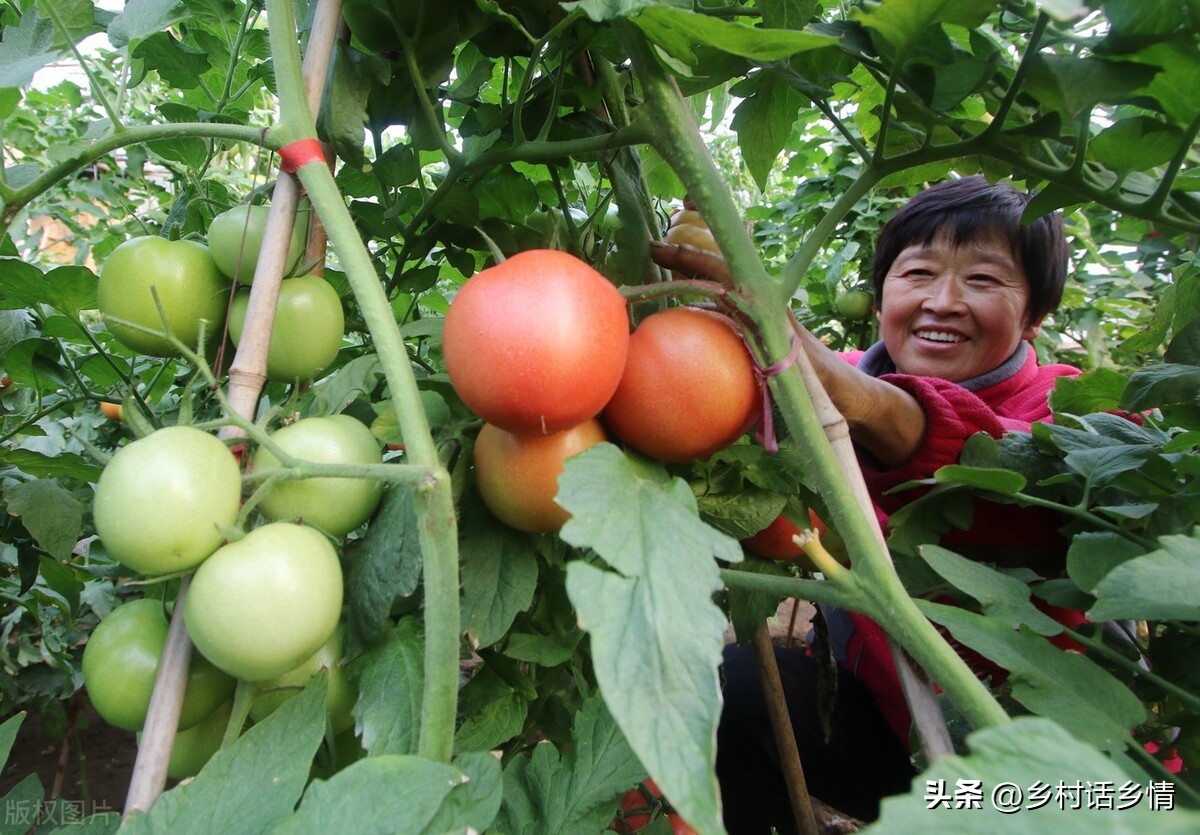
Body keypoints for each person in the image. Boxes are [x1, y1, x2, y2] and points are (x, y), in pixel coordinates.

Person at [715, 175, 1082, 832]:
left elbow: (1015, 477)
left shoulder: (1073, 415)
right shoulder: (838, 376)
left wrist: (858, 402)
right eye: (918, 272)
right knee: (734, 691)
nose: (944, 301)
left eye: (984, 280)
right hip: (890, 729)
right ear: (883, 293)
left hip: (1035, 762)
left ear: (1036, 313)